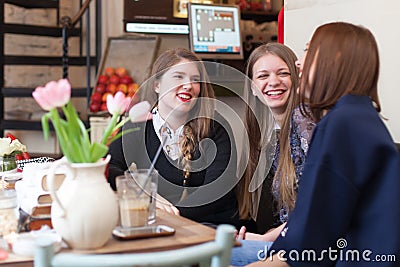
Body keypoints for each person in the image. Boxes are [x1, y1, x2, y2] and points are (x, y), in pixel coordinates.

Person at [244, 22, 400, 267]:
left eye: (308, 50)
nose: (298, 63)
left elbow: (310, 242)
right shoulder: (356, 116)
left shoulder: (342, 124)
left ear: (334, 60)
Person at [108, 48, 240, 227]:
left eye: (195, 80)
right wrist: (147, 192)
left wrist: (164, 213)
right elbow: (109, 168)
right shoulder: (137, 126)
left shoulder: (216, 128)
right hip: (159, 227)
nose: (188, 85)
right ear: (157, 85)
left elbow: (215, 193)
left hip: (210, 228)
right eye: (179, 77)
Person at [232, 43, 315, 266]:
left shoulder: (307, 127)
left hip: (308, 248)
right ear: (251, 86)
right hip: (286, 242)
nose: (273, 82)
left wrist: (264, 238)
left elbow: (314, 211)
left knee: (217, 255)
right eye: (263, 76)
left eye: (283, 73)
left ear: (296, 78)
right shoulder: (264, 134)